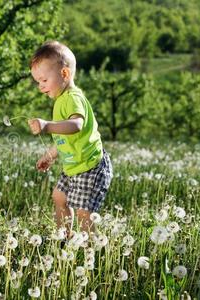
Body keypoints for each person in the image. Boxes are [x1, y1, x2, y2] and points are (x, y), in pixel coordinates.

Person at [27, 41, 113, 235]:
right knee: (59, 197)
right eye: (37, 82)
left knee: (84, 212)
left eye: (44, 80)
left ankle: (90, 246)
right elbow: (63, 137)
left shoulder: (73, 97)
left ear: (64, 74)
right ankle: (64, 237)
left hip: (90, 166)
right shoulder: (59, 101)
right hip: (73, 167)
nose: (40, 87)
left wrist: (47, 125)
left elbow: (76, 126)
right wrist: (50, 155)